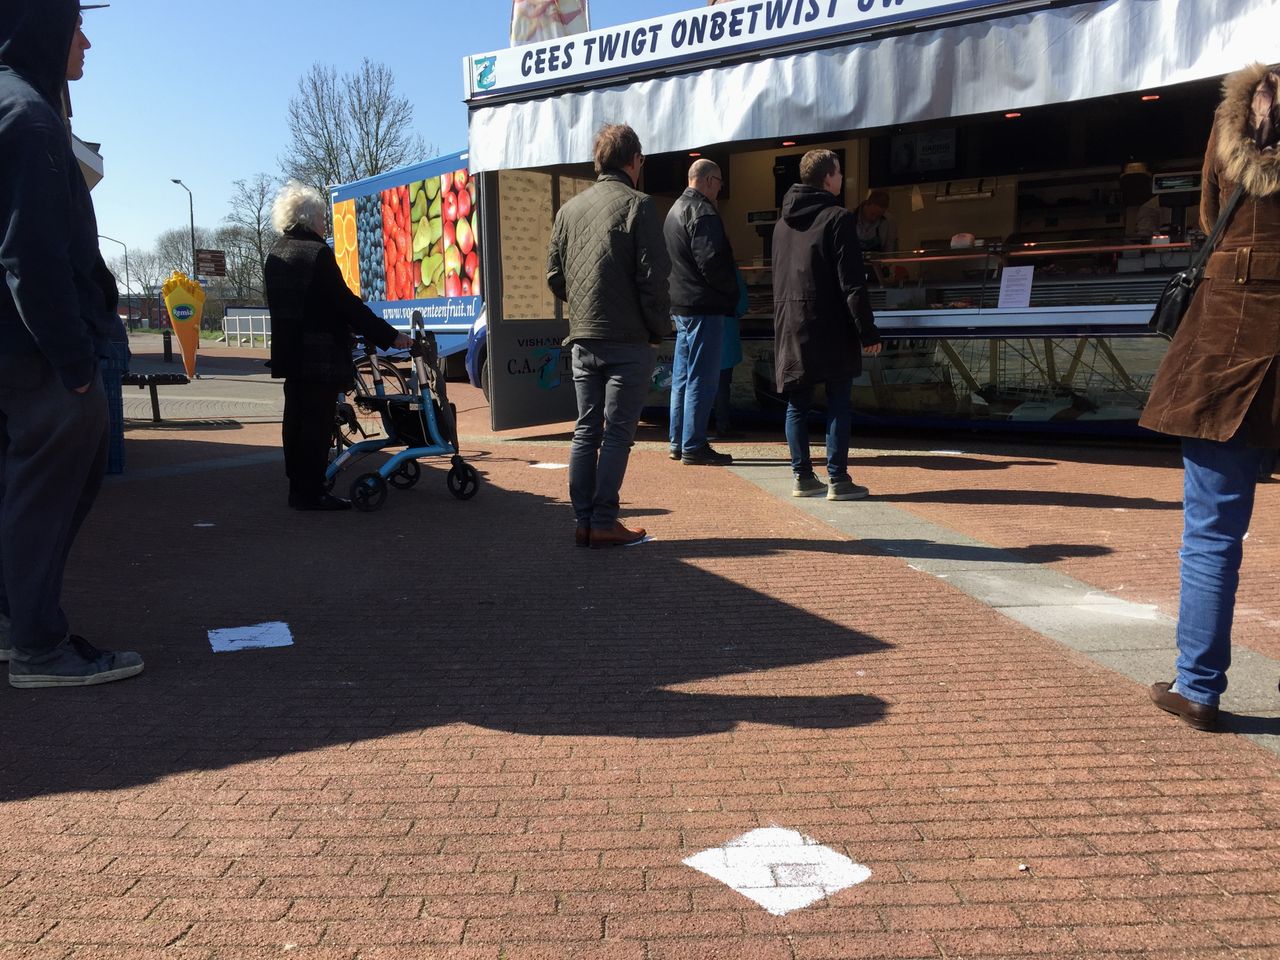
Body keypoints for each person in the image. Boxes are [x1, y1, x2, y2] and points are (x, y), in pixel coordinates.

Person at [0, 0, 144, 687]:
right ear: (41, 28)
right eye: (72, 25)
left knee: (19, 491)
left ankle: (15, 623)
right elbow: (32, 255)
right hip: (40, 359)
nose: (83, 40)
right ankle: (39, 648)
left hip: (16, 352)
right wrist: (75, 362)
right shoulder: (30, 119)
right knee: (49, 496)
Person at [1139, 62, 1280, 731]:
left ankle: (1197, 686)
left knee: (1212, 528)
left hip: (1228, 333)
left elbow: (1205, 217)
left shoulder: (1226, 122)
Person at [547, 123, 671, 548]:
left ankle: (583, 521)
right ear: (633, 161)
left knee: (586, 430)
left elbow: (555, 276)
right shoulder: (639, 205)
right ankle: (602, 520)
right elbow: (654, 278)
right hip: (629, 338)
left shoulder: (569, 211)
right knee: (618, 432)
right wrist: (657, 332)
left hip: (583, 336)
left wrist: (583, 303)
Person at [264, 181, 412, 511]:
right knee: (316, 427)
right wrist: (390, 336)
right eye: (321, 218)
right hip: (321, 357)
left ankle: (297, 488)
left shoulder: (276, 253)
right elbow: (345, 304)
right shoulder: (317, 252)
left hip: (290, 355)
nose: (324, 224)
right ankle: (312, 493)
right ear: (310, 218)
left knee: (295, 422)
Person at [773, 149, 882, 501]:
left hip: (792, 322)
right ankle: (838, 478)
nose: (841, 178)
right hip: (831, 323)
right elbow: (852, 282)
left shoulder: (781, 224)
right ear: (827, 178)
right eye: (839, 172)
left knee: (797, 403)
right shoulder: (838, 218)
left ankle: (802, 476)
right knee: (838, 400)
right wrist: (867, 331)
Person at [664, 159, 739, 466]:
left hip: (681, 304)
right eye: (720, 181)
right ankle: (694, 443)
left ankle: (678, 440)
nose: (721, 187)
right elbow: (712, 263)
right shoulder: (703, 212)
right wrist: (730, 293)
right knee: (703, 376)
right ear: (708, 180)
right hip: (703, 305)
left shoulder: (674, 211)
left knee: (682, 376)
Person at [712, 267, 748, 440]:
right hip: (725, 328)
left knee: (692, 382)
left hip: (696, 326)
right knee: (722, 384)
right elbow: (742, 304)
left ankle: (687, 431)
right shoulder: (730, 269)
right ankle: (723, 426)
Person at [853, 189, 897, 255]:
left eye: (878, 216)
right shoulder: (849, 217)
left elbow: (889, 251)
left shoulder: (889, 221)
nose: (874, 218)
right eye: (872, 214)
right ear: (867, 205)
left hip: (877, 264)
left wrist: (888, 263)